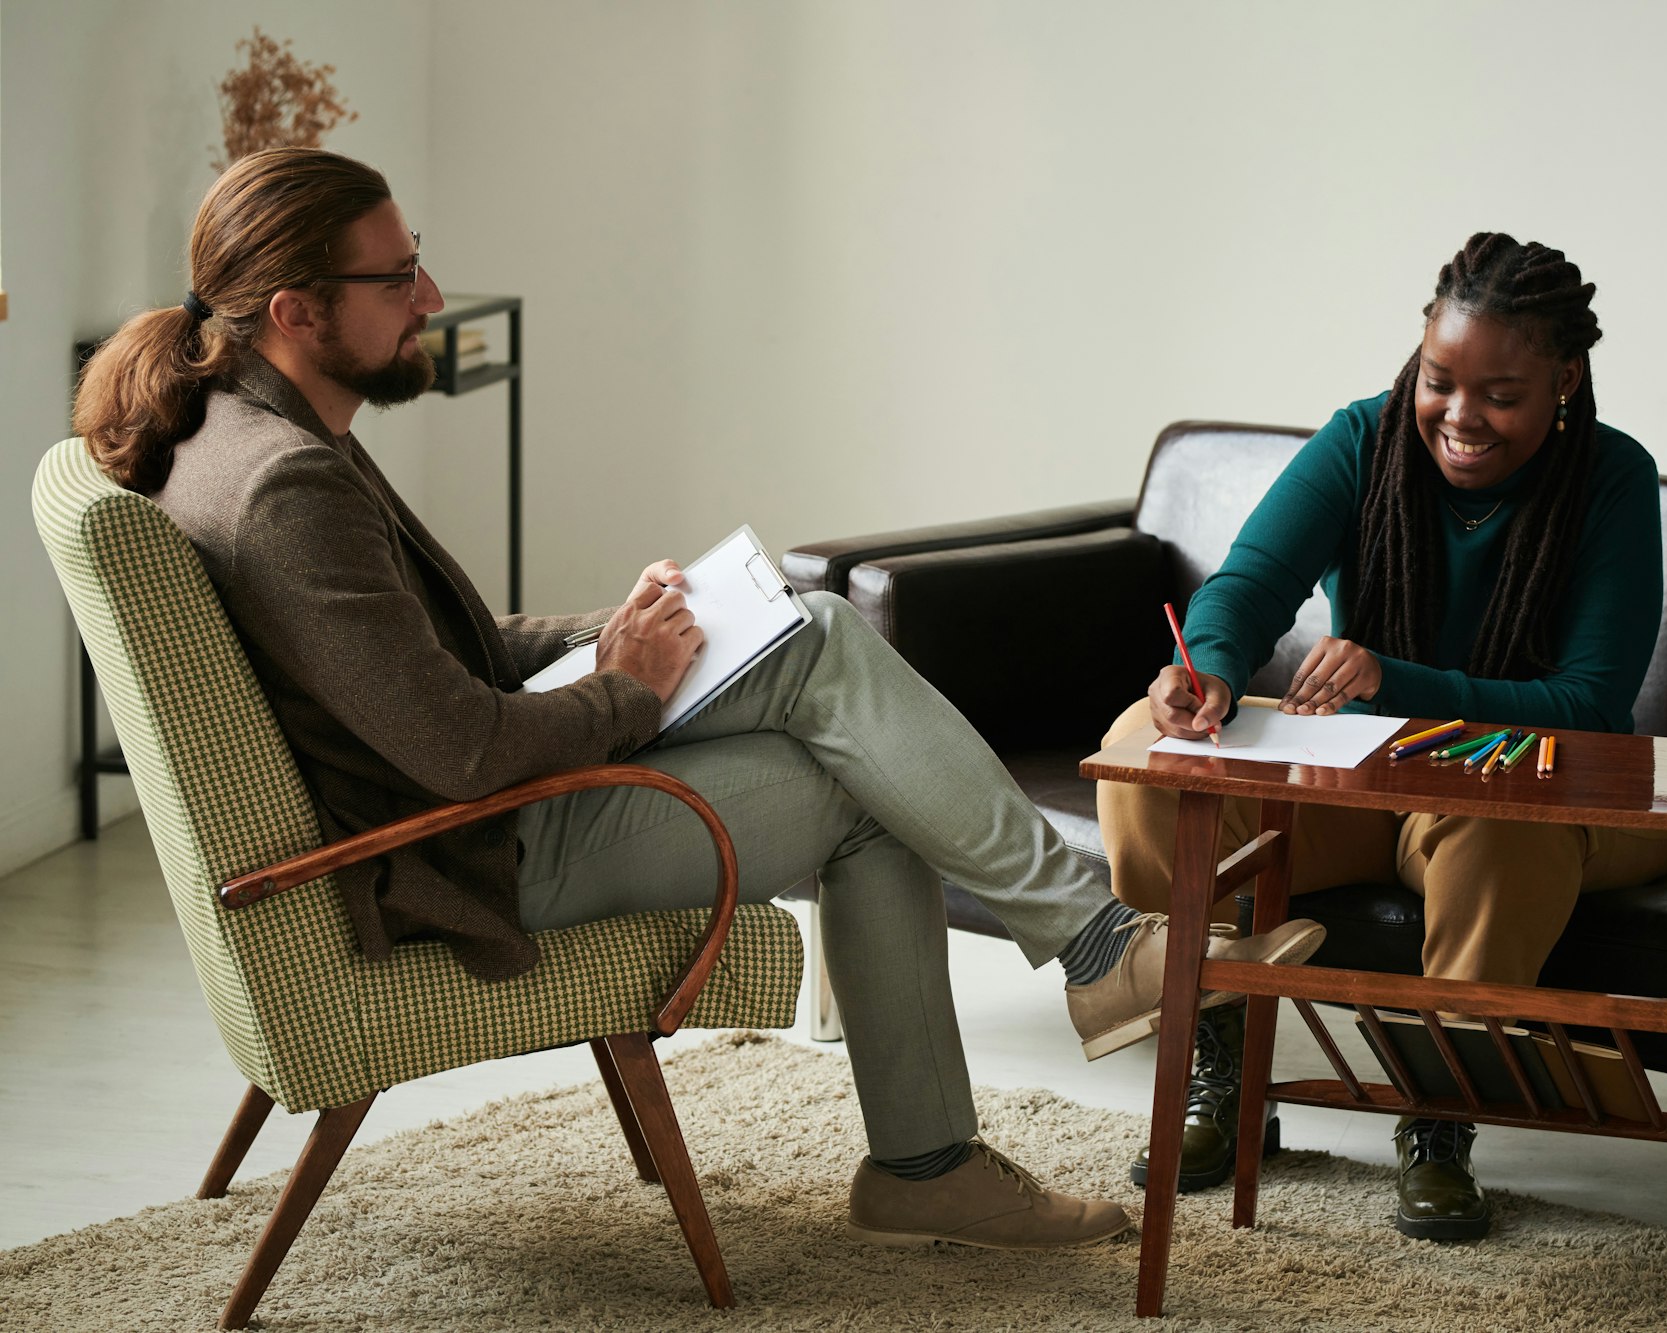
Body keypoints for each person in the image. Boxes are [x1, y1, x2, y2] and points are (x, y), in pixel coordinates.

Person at [72, 147, 1325, 1254]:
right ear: (295, 308)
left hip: (463, 807)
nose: (432, 301)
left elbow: (421, 655)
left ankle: (1005, 1072)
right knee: (855, 745)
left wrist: (617, 638)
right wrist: (626, 685)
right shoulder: (286, 485)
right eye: (395, 279)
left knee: (809, 648)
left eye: (418, 265)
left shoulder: (244, 429)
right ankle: (1014, 1058)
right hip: (473, 851)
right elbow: (459, 750)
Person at [1097, 233, 1667, 1240]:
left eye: (1498, 394)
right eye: (1437, 380)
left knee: (1500, 826)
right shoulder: (1361, 440)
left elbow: (1588, 703)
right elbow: (1246, 588)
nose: (1458, 417)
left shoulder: (1611, 479)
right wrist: (1209, 671)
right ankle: (1225, 1069)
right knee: (1149, 757)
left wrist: (1390, 677)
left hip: (1546, 787)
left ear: (1563, 379)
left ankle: (1439, 1117)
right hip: (1366, 778)